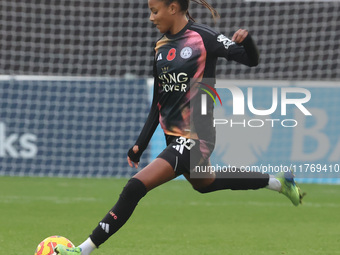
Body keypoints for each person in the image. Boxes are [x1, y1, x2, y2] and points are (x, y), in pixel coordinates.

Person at [55, 0, 304, 254]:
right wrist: (140, 143)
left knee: (134, 187)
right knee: (205, 183)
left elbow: (250, 60)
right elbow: (158, 102)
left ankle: (81, 250)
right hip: (174, 139)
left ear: (173, 8)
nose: (151, 18)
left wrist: (247, 40)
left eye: (154, 11)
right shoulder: (160, 46)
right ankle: (280, 183)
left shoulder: (204, 38)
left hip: (198, 136)